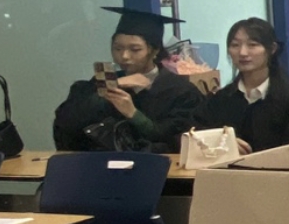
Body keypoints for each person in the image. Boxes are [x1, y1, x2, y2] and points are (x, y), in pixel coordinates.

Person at [54, 8, 204, 153]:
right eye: (118, 48)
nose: (124, 56)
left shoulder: (180, 91)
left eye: (135, 49)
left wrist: (133, 114)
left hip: (156, 167)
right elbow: (66, 123)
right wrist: (114, 86)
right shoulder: (102, 83)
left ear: (155, 50)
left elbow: (178, 141)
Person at [194, 18, 289, 153]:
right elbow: (193, 134)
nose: (243, 52)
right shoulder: (221, 100)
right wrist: (220, 141)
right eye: (235, 45)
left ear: (272, 49)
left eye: (252, 45)